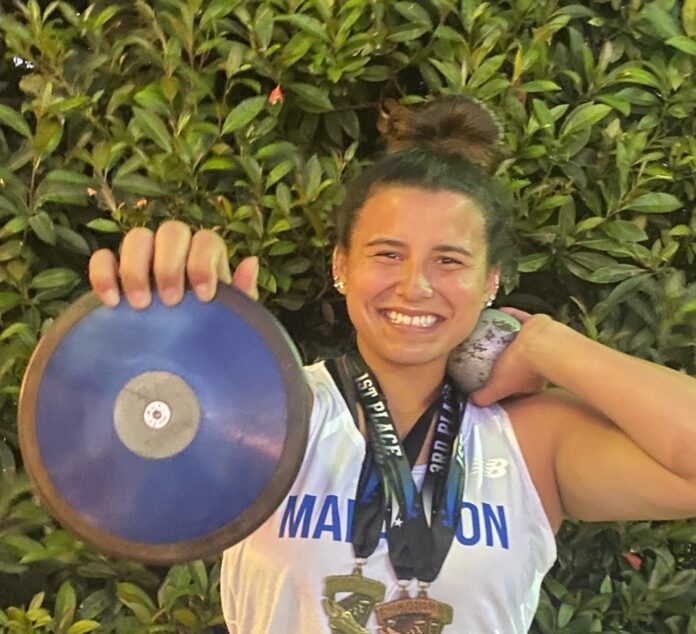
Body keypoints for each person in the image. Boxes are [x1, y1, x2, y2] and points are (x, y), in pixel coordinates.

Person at [88, 97, 696, 634]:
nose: (414, 286)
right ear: (342, 265)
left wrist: (543, 342)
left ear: (492, 282)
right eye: (387, 254)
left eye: (450, 261)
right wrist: (162, 324)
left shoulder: (532, 442)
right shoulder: (265, 414)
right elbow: (107, 461)